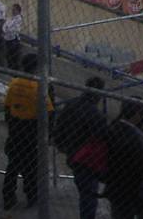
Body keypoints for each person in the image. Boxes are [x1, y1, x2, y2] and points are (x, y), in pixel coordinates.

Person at [2, 52, 53, 210]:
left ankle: (8, 196)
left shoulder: (14, 82)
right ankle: (31, 196)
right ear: (36, 67)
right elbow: (50, 111)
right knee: (30, 167)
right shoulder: (38, 87)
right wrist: (48, 133)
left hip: (16, 128)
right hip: (31, 130)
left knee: (12, 165)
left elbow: (7, 106)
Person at [56, 77, 108, 219]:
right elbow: (104, 139)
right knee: (88, 196)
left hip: (72, 154)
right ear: (98, 94)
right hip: (87, 161)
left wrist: (61, 145)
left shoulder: (71, 104)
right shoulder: (96, 115)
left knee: (85, 193)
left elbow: (59, 127)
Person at [104, 100, 143, 219]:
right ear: (135, 114)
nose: (142, 117)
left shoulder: (113, 128)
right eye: (141, 114)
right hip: (132, 186)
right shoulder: (136, 137)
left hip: (115, 184)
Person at [3, 2, 24, 69]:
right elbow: (5, 26)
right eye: (12, 9)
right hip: (7, 38)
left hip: (13, 39)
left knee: (13, 56)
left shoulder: (18, 19)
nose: (13, 11)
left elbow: (15, 29)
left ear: (18, 11)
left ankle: (14, 70)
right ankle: (10, 68)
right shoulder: (10, 18)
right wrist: (6, 29)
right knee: (8, 55)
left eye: (14, 10)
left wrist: (8, 29)